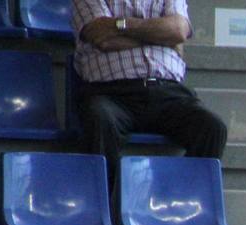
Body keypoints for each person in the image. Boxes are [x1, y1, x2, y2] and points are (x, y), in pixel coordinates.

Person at [70, 0, 227, 188]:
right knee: (99, 119)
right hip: (112, 94)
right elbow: (103, 37)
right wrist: (160, 38)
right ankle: (109, 210)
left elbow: (177, 30)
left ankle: (181, 201)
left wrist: (120, 25)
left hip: (167, 93)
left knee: (212, 127)